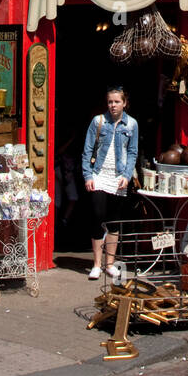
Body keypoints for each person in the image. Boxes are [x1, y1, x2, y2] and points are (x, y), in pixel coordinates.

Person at [81, 87, 139, 281]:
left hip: (118, 177)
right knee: (97, 218)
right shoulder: (98, 122)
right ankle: (96, 264)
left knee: (114, 221)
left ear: (124, 103)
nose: (113, 106)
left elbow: (132, 152)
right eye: (110, 102)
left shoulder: (131, 124)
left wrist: (127, 175)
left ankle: (110, 264)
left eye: (116, 102)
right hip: (99, 174)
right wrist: (88, 176)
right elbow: (87, 150)